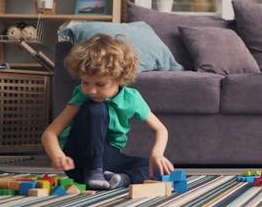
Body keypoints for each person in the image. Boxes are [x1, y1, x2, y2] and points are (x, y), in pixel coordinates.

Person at [41, 34, 173, 190]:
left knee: (157, 168)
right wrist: (58, 156)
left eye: (100, 84)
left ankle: (121, 179)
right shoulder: (82, 95)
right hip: (79, 160)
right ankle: (95, 171)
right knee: (96, 108)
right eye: (85, 82)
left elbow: (160, 129)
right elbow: (50, 133)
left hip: (108, 158)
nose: (91, 90)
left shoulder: (131, 99)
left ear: (120, 78)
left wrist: (157, 154)